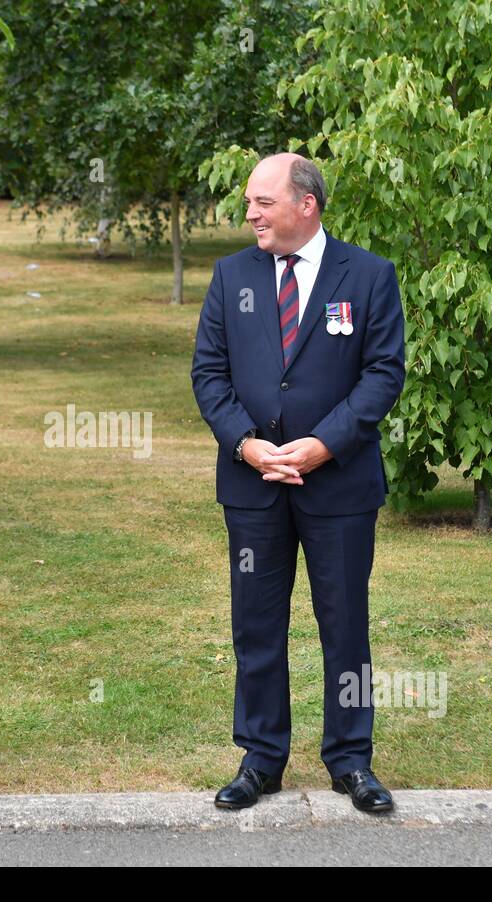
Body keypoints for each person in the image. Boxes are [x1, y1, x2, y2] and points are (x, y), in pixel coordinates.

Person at [190, 152, 406, 813]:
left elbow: (383, 373)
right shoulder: (232, 277)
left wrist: (324, 445)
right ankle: (260, 759)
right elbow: (209, 374)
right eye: (249, 203)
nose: (248, 213)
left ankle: (351, 761)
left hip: (338, 486)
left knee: (345, 624)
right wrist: (248, 444)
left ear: (305, 205)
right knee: (256, 625)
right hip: (253, 485)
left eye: (261, 202)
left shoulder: (368, 276)